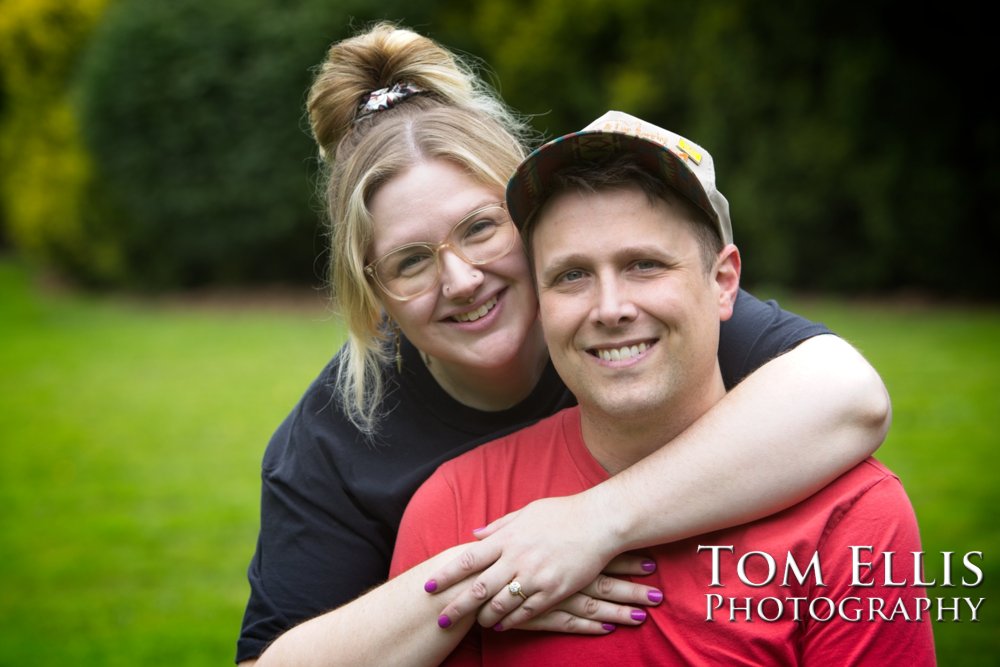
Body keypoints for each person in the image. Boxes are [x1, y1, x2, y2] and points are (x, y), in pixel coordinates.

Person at [238, 23, 893, 666]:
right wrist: (498, 574)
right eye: (411, 261)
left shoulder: (628, 321)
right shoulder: (333, 440)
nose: (462, 280)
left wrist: (593, 521)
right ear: (375, 290)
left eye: (480, 228)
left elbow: (851, 398)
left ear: (532, 223)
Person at [390, 110, 936, 665]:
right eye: (572, 275)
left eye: (645, 265)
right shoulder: (460, 511)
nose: (610, 309)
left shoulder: (854, 515)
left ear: (723, 283)